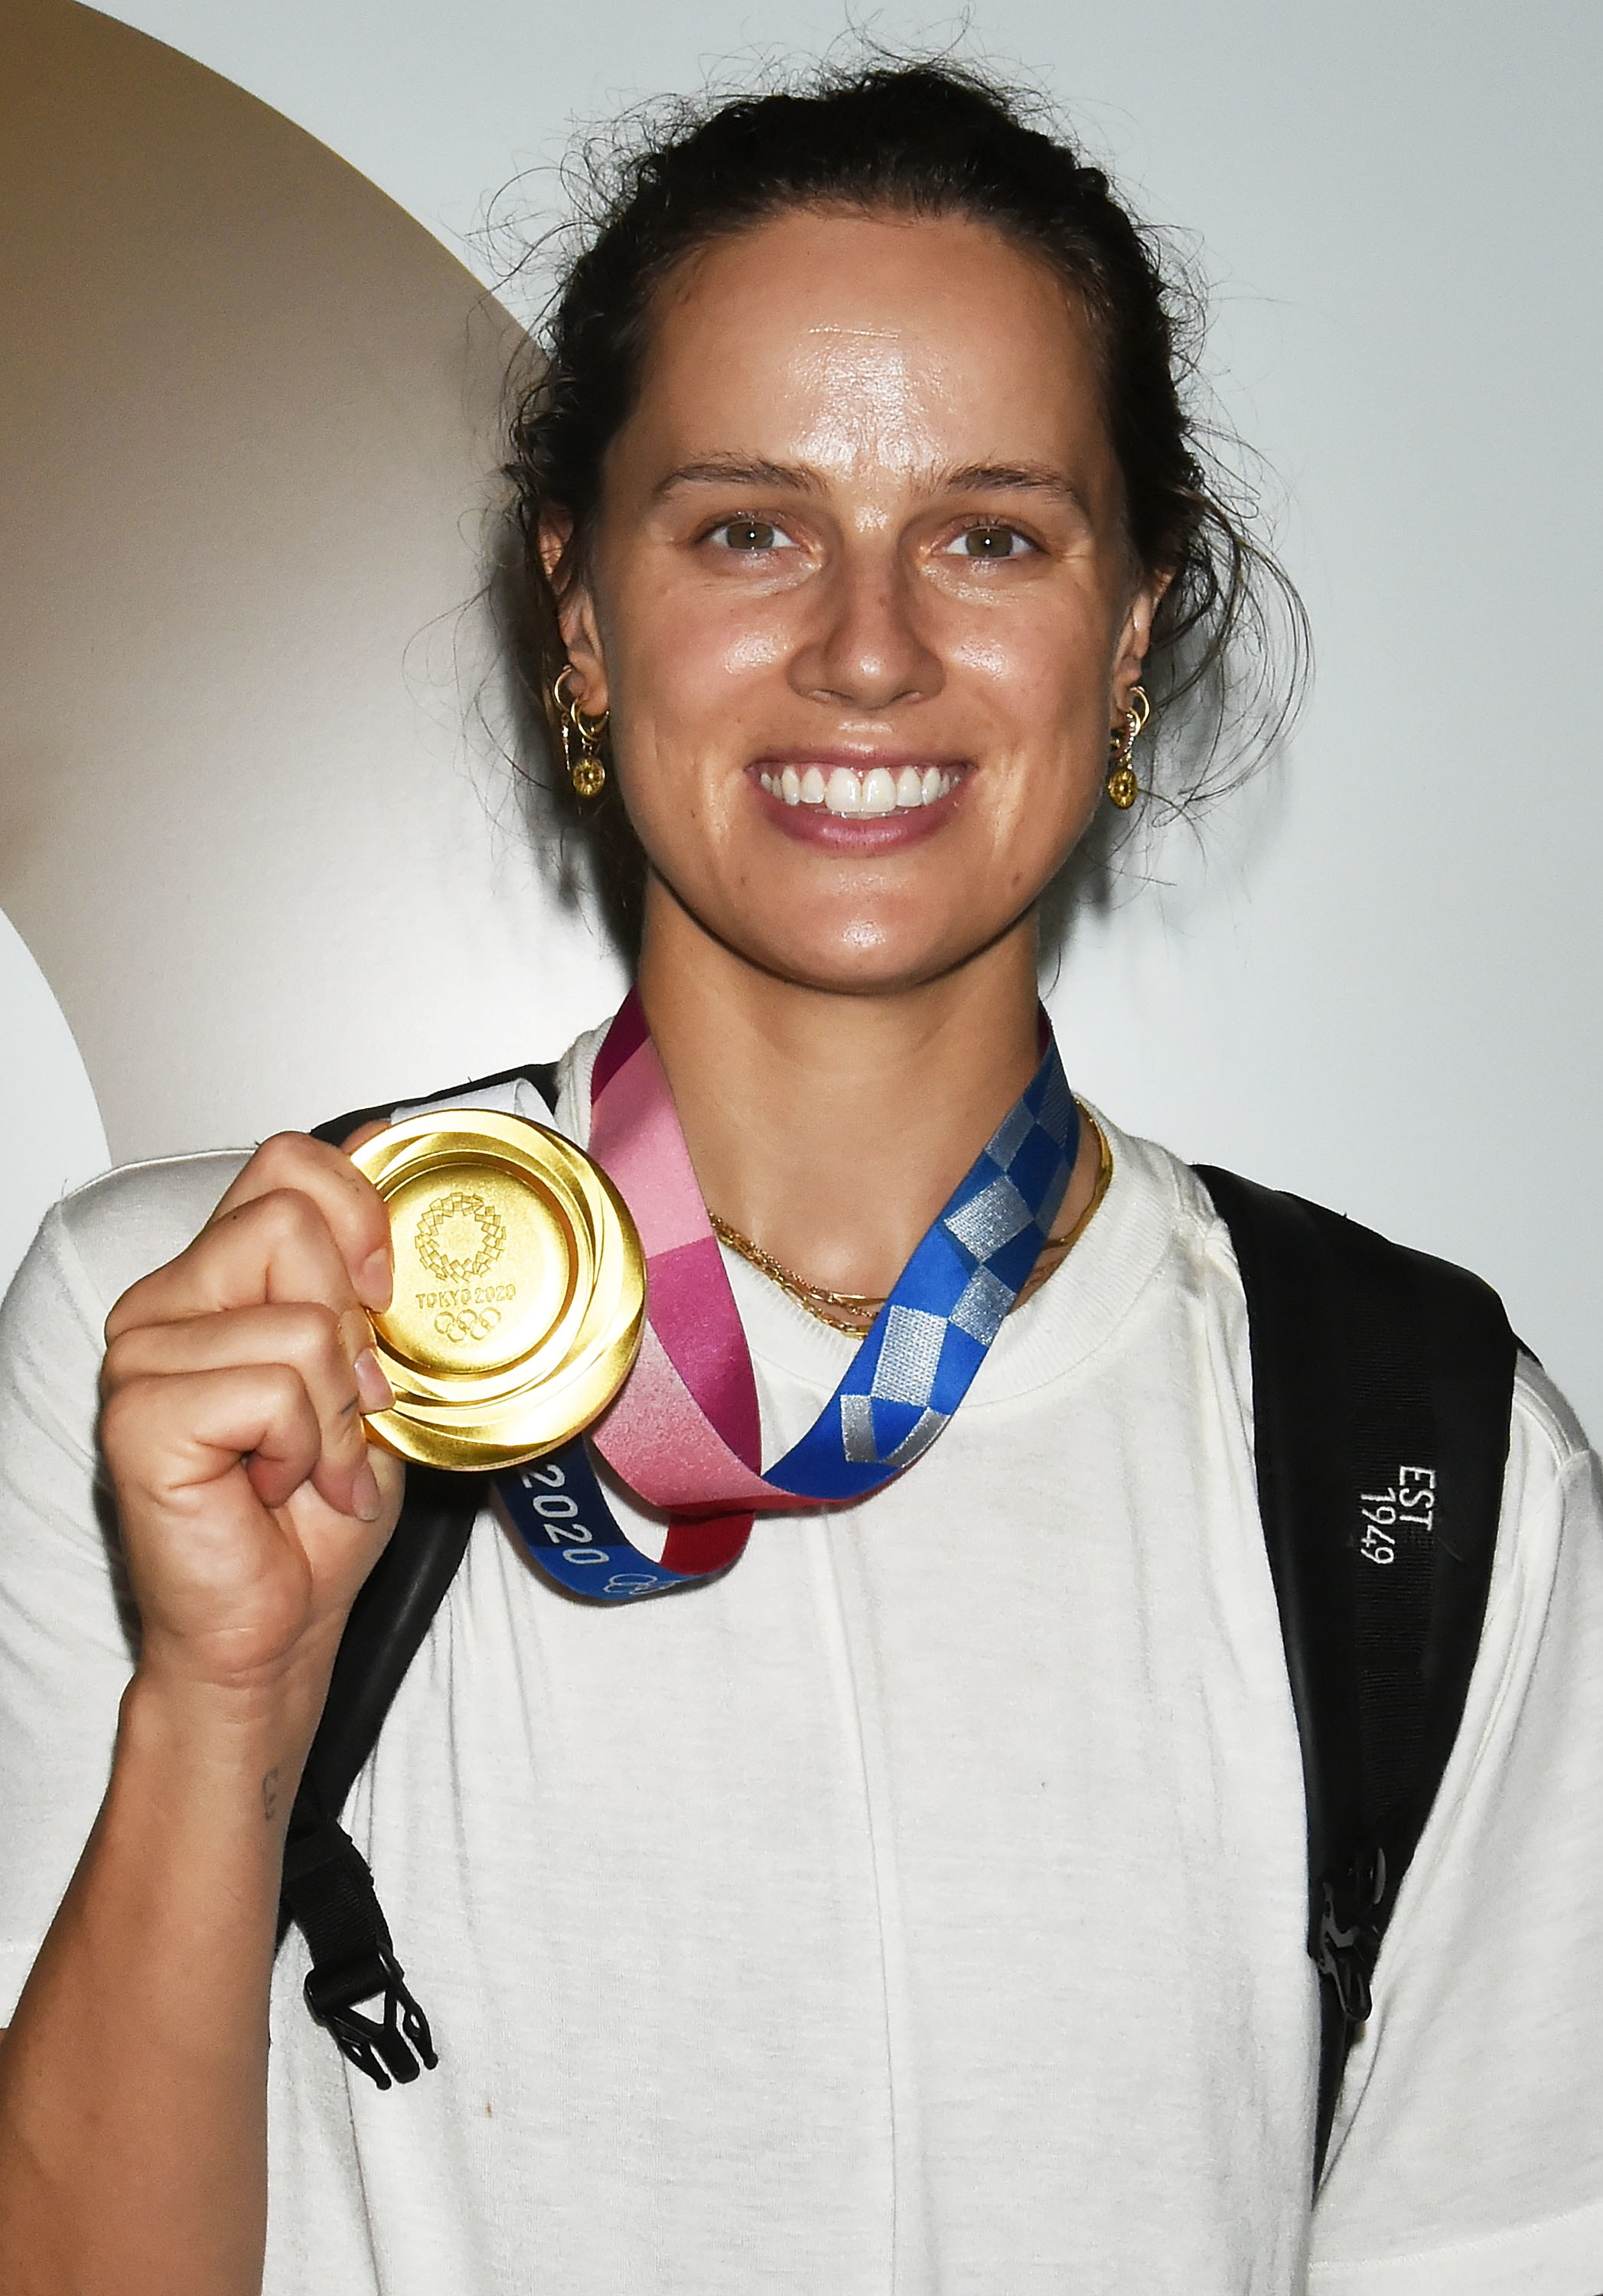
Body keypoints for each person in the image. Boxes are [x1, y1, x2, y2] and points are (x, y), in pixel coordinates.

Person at [1, 57, 1600, 2296]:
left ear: (1131, 634)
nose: (867, 647)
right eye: (748, 525)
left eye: (992, 534)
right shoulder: (194, 1335)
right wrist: (225, 1709)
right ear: (581, 612)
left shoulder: (1412, 1447)